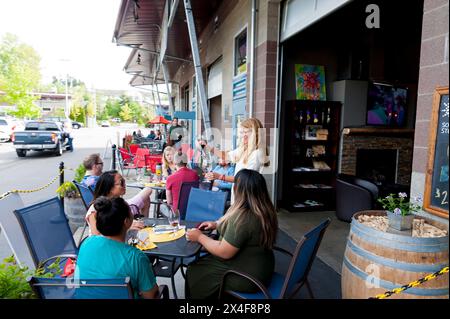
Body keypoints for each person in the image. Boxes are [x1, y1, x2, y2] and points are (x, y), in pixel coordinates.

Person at [185, 169, 278, 299]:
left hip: (247, 276)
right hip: (263, 266)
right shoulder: (265, 209)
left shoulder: (244, 217)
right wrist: (216, 224)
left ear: (240, 190)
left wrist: (199, 237)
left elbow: (224, 252)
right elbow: (245, 233)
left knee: (193, 270)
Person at [75, 197, 159, 299]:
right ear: (126, 221)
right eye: (130, 211)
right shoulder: (136, 257)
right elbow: (151, 295)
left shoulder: (87, 243)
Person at [205, 118, 269, 202]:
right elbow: (226, 155)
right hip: (238, 195)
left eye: (246, 132)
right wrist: (207, 146)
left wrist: (220, 176)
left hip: (247, 197)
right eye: (242, 132)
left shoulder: (257, 153)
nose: (243, 135)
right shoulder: (244, 149)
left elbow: (244, 178)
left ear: (255, 133)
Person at [85, 170, 152, 236]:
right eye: (121, 182)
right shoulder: (95, 209)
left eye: (124, 181)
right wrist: (125, 228)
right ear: (110, 188)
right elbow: (97, 236)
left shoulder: (119, 203)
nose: (125, 185)